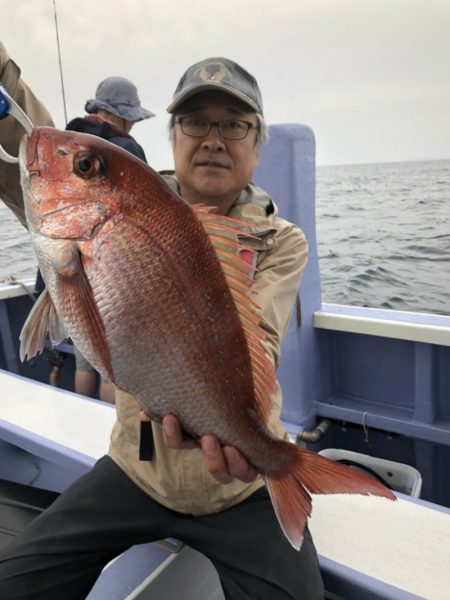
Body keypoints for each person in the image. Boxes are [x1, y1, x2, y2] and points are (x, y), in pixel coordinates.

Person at [0, 43, 325, 599]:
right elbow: (36, 146)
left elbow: (261, 342)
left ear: (258, 143)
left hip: (237, 487)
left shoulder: (282, 240)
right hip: (136, 469)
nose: (213, 139)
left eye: (234, 125)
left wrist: (245, 441)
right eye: (195, 121)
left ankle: (285, 471)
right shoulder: (124, 198)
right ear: (172, 136)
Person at [69, 75, 155, 403]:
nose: (132, 125)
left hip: (74, 266)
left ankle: (82, 413)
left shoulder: (71, 137)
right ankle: (108, 424)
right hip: (110, 271)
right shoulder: (128, 148)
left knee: (84, 355)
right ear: (120, 114)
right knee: (110, 362)